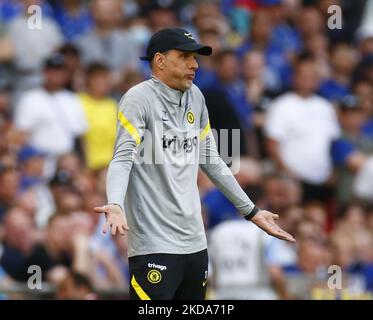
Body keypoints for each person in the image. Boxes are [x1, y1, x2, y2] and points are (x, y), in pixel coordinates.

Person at [94, 27, 295, 301]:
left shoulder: (196, 97)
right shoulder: (138, 98)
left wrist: (251, 211)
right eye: (186, 56)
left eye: (196, 58)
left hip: (195, 246)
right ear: (160, 61)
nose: (195, 64)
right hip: (155, 246)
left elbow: (212, 160)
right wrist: (115, 204)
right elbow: (123, 156)